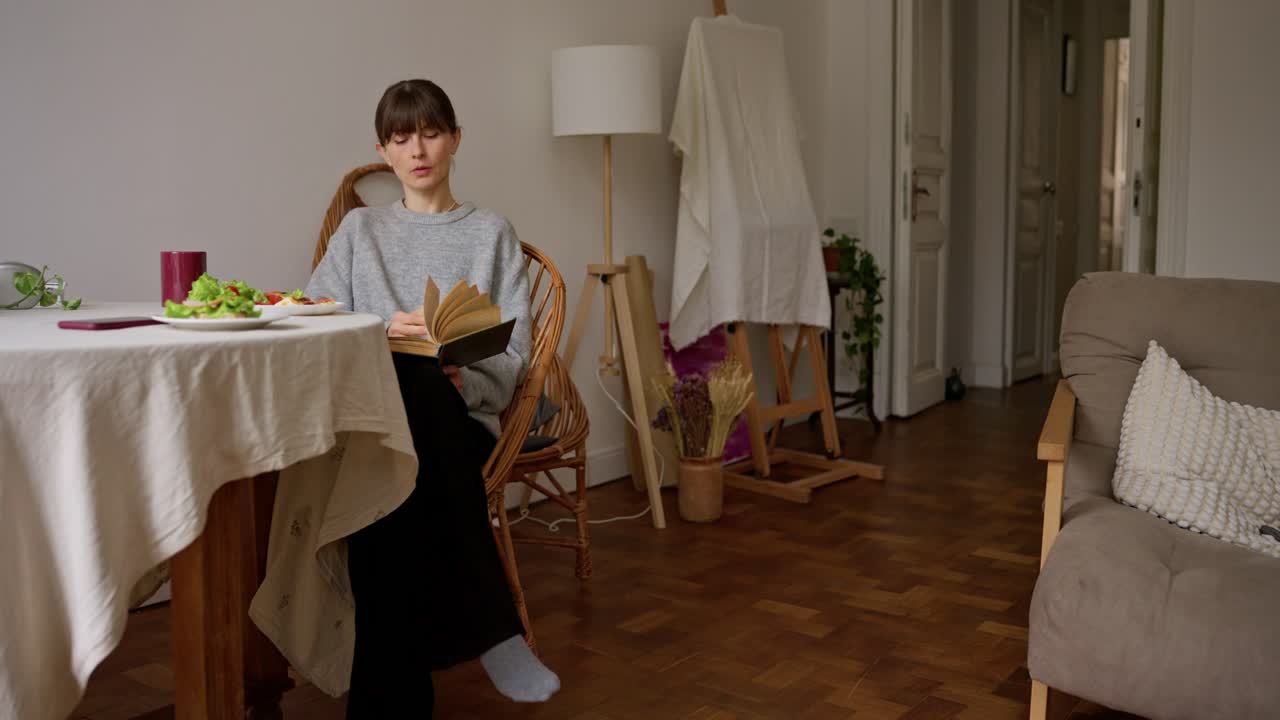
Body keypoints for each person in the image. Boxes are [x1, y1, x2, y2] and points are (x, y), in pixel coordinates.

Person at [305, 78, 560, 718]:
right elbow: (312, 319)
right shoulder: (359, 232)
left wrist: (465, 379)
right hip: (374, 420)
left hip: (457, 422)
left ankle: (387, 702)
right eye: (400, 138)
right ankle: (494, 629)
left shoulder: (490, 233)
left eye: (430, 132)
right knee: (396, 405)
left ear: (455, 140)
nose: (417, 149)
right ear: (383, 152)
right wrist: (380, 328)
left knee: (412, 411)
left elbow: (515, 355)